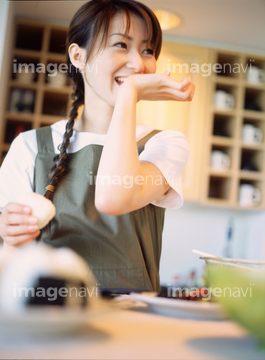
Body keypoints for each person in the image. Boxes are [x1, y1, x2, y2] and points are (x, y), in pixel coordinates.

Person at [0, 0, 195, 291]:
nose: (139, 63)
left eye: (147, 50)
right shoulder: (29, 146)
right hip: (49, 315)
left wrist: (128, 93)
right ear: (79, 56)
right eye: (121, 45)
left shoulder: (165, 143)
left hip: (131, 324)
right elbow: (10, 260)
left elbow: (113, 198)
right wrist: (10, 234)